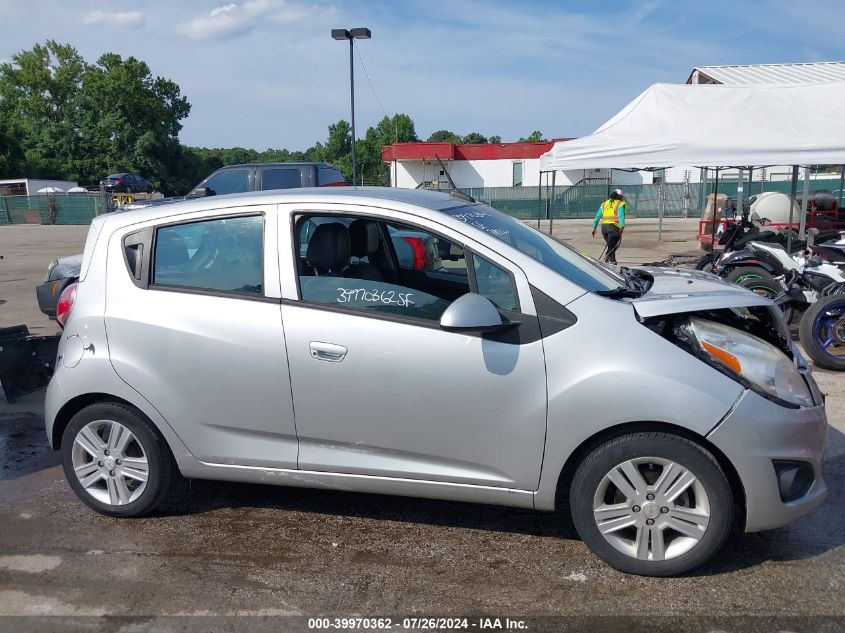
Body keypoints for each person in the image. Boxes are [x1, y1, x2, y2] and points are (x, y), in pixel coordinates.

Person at [591, 188, 627, 264]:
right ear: (620, 197)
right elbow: (621, 216)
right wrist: (622, 226)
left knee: (611, 245)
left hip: (604, 228)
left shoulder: (604, 204)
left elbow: (597, 216)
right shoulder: (620, 204)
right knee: (614, 245)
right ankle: (606, 258)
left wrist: (594, 228)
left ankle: (612, 260)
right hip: (614, 227)